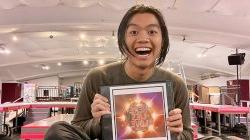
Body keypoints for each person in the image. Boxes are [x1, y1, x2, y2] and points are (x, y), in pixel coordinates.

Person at [45, 4, 193, 140]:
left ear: (163, 40)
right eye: (134, 32)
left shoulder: (176, 84)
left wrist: (175, 133)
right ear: (122, 40)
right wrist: (99, 122)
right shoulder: (98, 77)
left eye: (152, 31)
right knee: (57, 131)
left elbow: (187, 133)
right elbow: (77, 128)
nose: (143, 38)